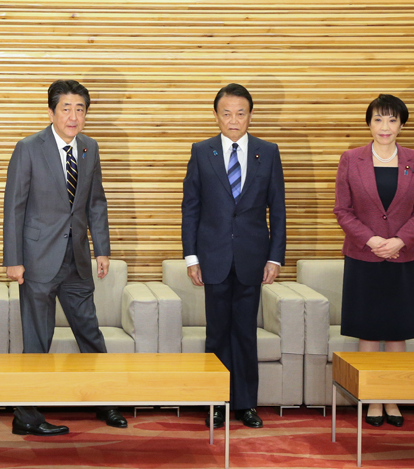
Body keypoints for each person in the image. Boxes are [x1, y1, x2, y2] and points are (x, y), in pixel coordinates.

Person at [3, 79, 128, 436]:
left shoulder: (89, 148)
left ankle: (104, 401)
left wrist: (102, 249)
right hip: (37, 260)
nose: (73, 116)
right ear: (51, 112)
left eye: (80, 109)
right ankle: (26, 416)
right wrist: (13, 259)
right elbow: (14, 206)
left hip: (77, 260)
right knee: (36, 340)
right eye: (66, 109)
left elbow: (96, 202)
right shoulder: (29, 148)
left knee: (90, 333)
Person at [182, 83, 286, 429]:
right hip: (212, 257)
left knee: (245, 333)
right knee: (216, 334)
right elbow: (190, 208)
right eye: (226, 113)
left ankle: (245, 404)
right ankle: (216, 402)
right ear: (216, 115)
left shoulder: (267, 152)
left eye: (240, 113)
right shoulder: (202, 151)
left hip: (252, 258)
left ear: (250, 115)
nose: (233, 120)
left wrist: (275, 257)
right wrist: (191, 257)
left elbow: (278, 210)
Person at [334, 94, 414, 427]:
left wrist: (400, 240)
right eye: (378, 119)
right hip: (364, 256)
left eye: (391, 119)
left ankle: (392, 399)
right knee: (368, 332)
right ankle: (372, 399)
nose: (384, 126)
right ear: (369, 123)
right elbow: (342, 210)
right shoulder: (351, 159)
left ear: (401, 124)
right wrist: (372, 240)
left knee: (397, 333)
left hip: (403, 257)